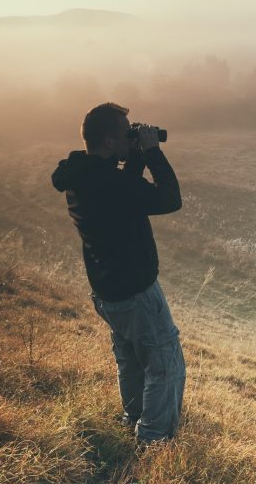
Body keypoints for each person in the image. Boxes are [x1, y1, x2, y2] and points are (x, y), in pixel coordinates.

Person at [51, 102, 185, 444]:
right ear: (110, 141)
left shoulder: (80, 176)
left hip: (108, 291)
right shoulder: (108, 182)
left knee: (130, 361)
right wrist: (152, 152)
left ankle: (133, 420)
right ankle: (154, 441)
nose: (132, 136)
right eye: (127, 132)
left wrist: (135, 155)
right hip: (136, 292)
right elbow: (169, 199)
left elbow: (122, 190)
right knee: (163, 365)